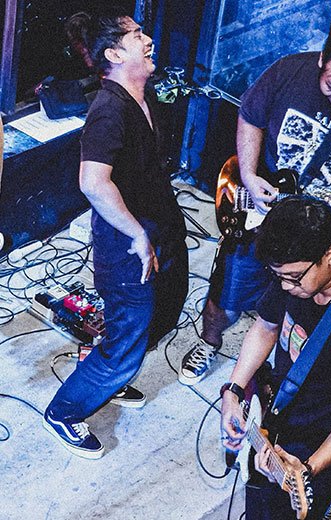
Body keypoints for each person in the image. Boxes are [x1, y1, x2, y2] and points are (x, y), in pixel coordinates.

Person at [179, 27, 331, 386]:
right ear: (322, 60)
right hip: (261, 216)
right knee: (227, 292)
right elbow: (250, 117)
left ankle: (294, 373)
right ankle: (209, 342)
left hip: (321, 235)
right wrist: (249, 175)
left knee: (309, 312)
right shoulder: (289, 72)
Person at [42, 9, 188, 459]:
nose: (148, 40)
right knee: (128, 339)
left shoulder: (142, 96)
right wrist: (137, 235)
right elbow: (92, 182)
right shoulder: (109, 111)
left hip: (160, 229)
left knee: (166, 308)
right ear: (114, 54)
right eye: (137, 35)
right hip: (128, 245)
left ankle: (109, 374)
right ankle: (64, 411)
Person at [220, 195, 331, 519]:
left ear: (330, 254)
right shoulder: (292, 277)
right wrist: (233, 390)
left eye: (295, 277)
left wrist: (308, 468)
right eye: (279, 276)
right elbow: (266, 327)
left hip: (318, 445)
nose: (286, 286)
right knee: (258, 504)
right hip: (276, 415)